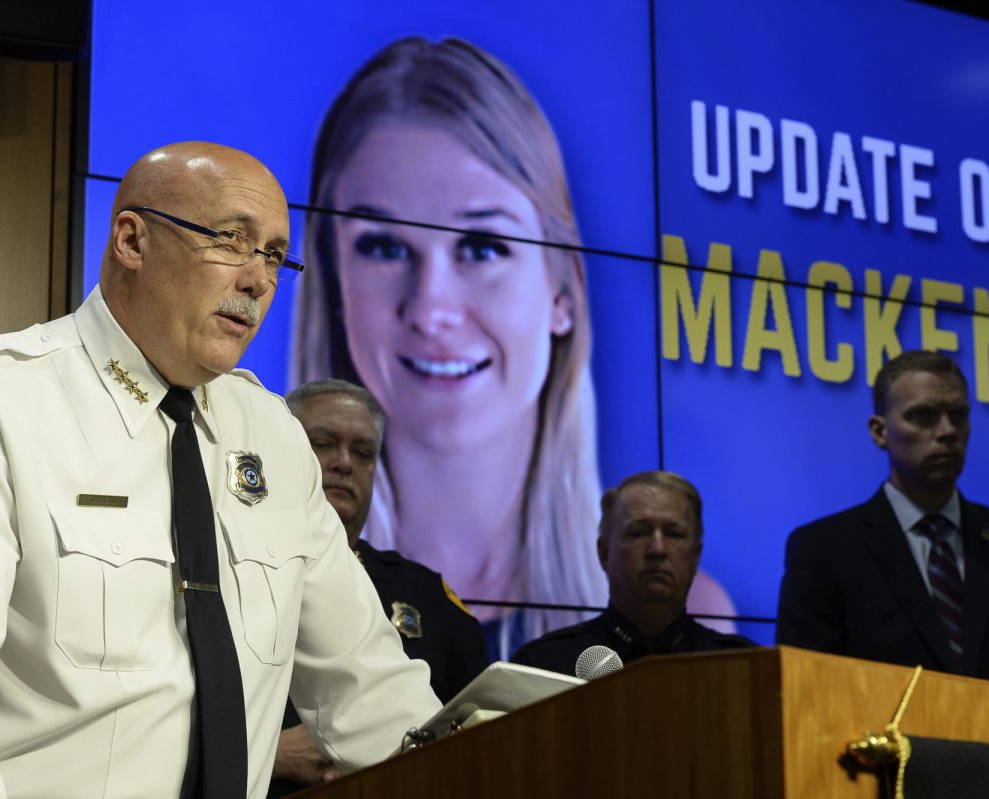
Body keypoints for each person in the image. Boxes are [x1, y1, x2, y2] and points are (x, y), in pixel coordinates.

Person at [0, 142, 442, 798]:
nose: (258, 280)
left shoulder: (272, 435)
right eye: (231, 240)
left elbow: (371, 690)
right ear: (132, 240)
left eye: (273, 253)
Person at [290, 36, 736, 658]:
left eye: (482, 247)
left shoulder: (702, 618)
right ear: (335, 284)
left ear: (563, 292)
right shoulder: (272, 588)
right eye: (384, 247)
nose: (432, 309)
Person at [268, 378, 487, 796]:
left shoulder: (428, 597)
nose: (343, 463)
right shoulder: (229, 567)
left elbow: (477, 724)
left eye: (363, 453)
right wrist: (272, 753)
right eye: (322, 444)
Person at [776, 350, 989, 687]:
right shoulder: (824, 549)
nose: (947, 431)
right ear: (880, 431)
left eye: (958, 415)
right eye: (924, 415)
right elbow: (806, 688)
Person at [512, 472, 753, 675]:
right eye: (638, 533)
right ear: (605, 554)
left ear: (695, 557)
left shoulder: (745, 668)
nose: (657, 549)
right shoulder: (543, 666)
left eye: (674, 534)